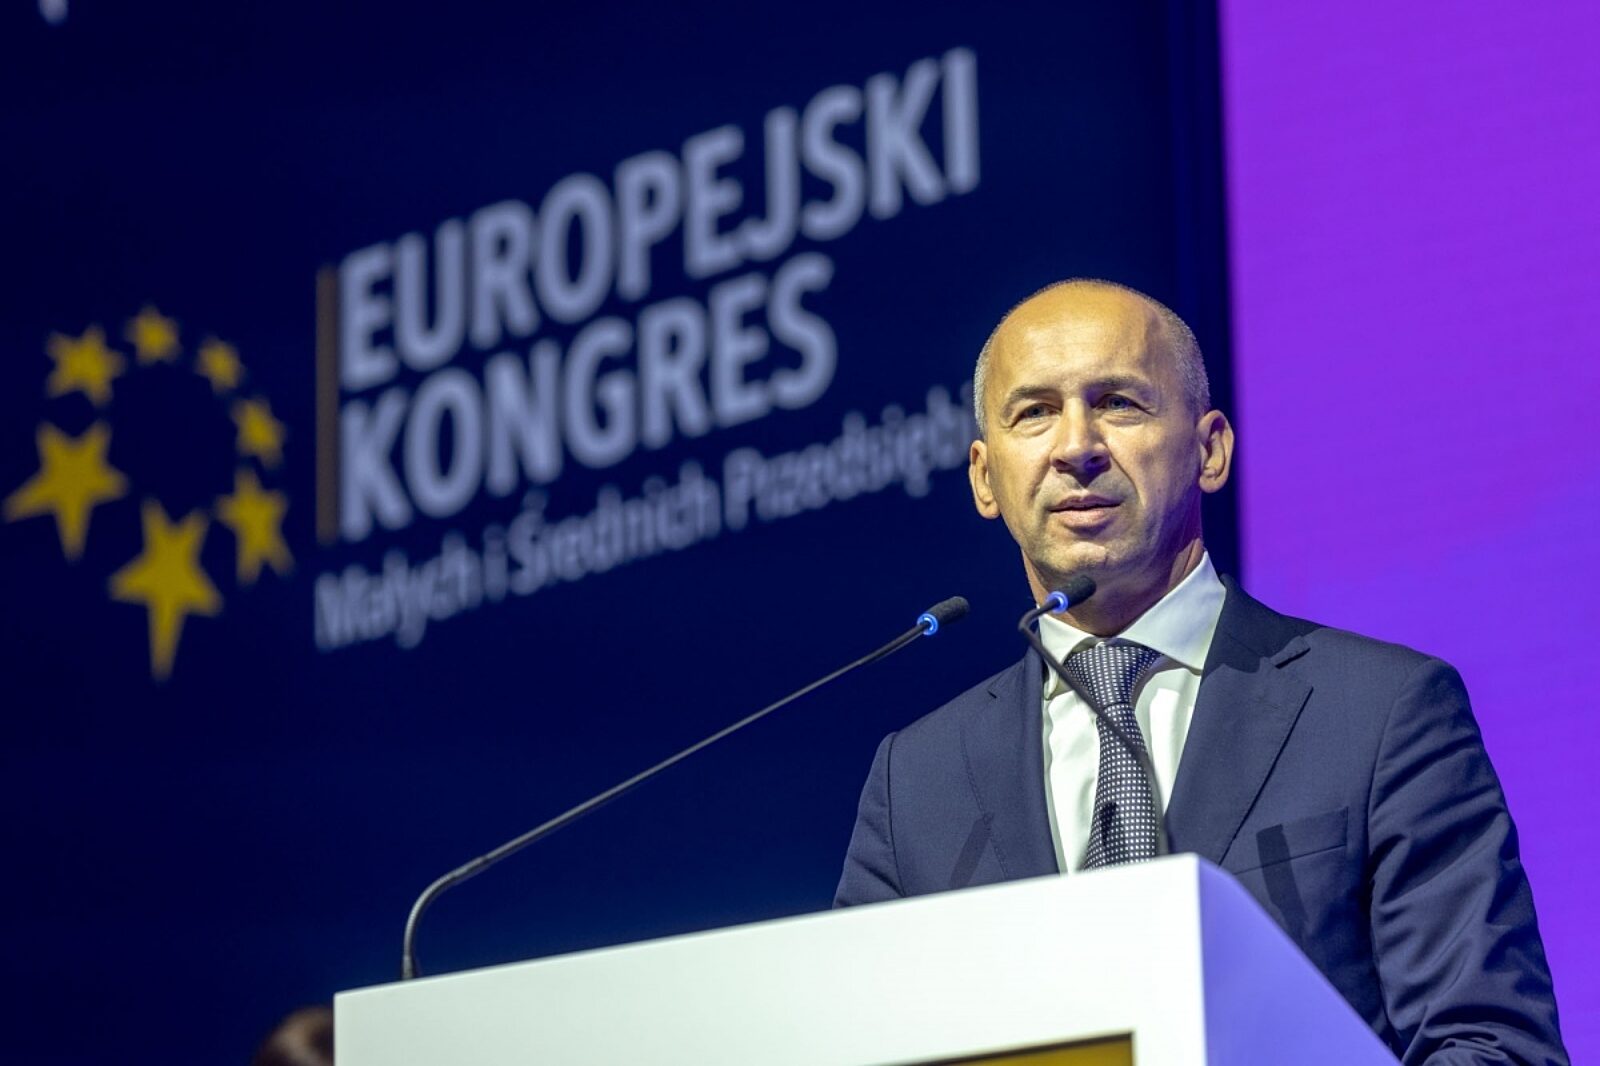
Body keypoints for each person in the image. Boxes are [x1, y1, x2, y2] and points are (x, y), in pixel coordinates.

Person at [834, 280, 1566, 1064]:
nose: (1076, 446)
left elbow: (1493, 1045)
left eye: (1118, 403)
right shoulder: (916, 783)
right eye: (1035, 412)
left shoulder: (1380, 713)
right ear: (986, 477)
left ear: (1209, 450)